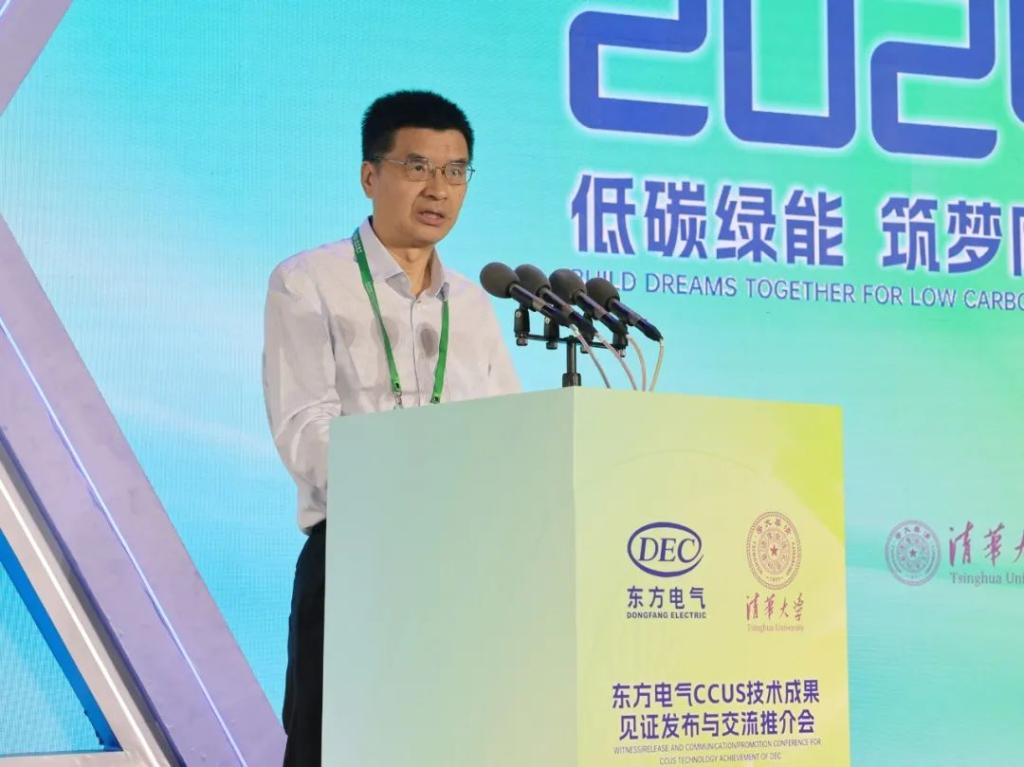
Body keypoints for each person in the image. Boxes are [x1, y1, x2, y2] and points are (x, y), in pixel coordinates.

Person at [262, 90, 521, 766]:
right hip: (357, 555)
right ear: (370, 175)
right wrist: (411, 486)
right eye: (417, 167)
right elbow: (304, 430)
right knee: (336, 746)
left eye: (455, 171)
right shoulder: (309, 281)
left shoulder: (474, 304)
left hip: (461, 563)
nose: (438, 189)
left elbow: (507, 431)